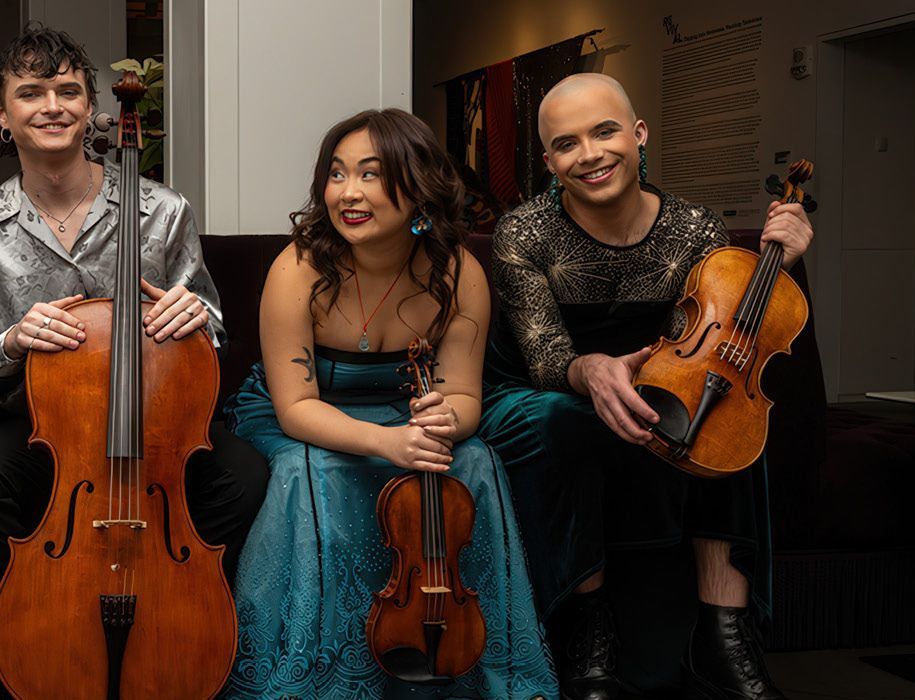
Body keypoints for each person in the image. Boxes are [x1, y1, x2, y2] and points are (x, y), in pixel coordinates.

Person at [0, 23, 269, 695]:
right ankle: (39, 644)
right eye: (30, 93)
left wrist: (194, 319)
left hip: (154, 428)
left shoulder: (161, 210)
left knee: (243, 475)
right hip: (37, 431)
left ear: (91, 108)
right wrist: (11, 341)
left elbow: (211, 327)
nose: (52, 106)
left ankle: (177, 630)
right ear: (2, 114)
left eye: (67, 91)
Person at [477, 73, 813, 700]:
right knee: (566, 418)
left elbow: (720, 344)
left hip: (660, 369)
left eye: (605, 132)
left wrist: (774, 267)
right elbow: (547, 357)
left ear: (638, 135)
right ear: (549, 161)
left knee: (729, 413)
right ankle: (587, 623)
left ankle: (722, 633)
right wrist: (591, 369)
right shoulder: (523, 233)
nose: (591, 154)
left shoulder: (695, 229)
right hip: (540, 387)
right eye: (567, 144)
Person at [222, 108, 558, 699]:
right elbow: (295, 406)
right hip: (302, 416)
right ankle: (317, 677)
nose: (348, 193)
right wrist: (387, 443)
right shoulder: (297, 269)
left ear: (418, 186)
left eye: (371, 175)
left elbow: (464, 397)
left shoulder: (458, 273)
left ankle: (460, 661)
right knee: (315, 471)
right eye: (337, 173)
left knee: (475, 462)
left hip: (406, 412)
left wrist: (444, 421)